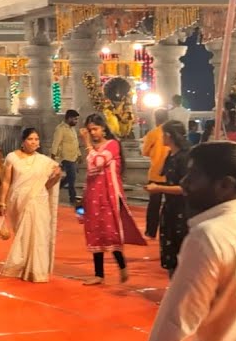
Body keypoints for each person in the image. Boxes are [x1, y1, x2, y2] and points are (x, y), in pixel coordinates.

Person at [145, 142, 236, 341]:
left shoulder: (209, 237)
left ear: (225, 186)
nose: (184, 183)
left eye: (192, 175)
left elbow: (174, 323)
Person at [78, 113, 145, 285]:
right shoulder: (94, 148)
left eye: (95, 129)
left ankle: (122, 266)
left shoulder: (112, 145)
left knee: (110, 231)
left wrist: (86, 145)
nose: (92, 133)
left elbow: (98, 162)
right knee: (95, 231)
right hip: (93, 194)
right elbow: (90, 171)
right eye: (90, 130)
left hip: (108, 195)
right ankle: (98, 274)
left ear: (104, 128)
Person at [0, 128, 62, 282]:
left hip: (38, 201)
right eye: (30, 139)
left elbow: (52, 180)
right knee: (22, 233)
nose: (34, 142)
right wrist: (2, 201)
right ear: (23, 141)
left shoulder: (44, 161)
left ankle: (36, 271)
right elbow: (7, 181)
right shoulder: (12, 157)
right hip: (18, 200)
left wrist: (51, 180)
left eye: (36, 139)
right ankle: (21, 266)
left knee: (38, 234)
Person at [144, 120, 189, 277]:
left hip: (182, 212)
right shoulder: (171, 155)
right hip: (170, 209)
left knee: (182, 255)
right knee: (170, 255)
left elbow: (185, 189)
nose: (161, 137)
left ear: (169, 136)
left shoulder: (184, 158)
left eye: (163, 134)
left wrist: (159, 188)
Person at [140, 108, 171, 239]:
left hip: (156, 173)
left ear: (156, 118)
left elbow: (145, 151)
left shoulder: (153, 133)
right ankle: (169, 232)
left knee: (154, 205)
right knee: (171, 205)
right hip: (171, 173)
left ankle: (151, 232)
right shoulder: (173, 133)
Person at [50, 110, 81, 205]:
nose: (76, 121)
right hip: (66, 158)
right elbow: (56, 142)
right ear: (69, 118)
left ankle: (54, 187)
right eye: (75, 119)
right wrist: (53, 156)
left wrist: (79, 155)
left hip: (73, 157)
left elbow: (75, 143)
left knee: (69, 178)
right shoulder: (60, 129)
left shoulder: (72, 129)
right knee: (72, 178)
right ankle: (72, 198)